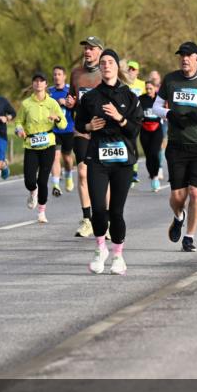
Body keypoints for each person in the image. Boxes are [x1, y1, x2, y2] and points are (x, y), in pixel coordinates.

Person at [152, 41, 197, 252]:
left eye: (189, 55)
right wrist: (169, 113)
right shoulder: (171, 79)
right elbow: (156, 106)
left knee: (196, 193)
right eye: (181, 55)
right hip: (176, 145)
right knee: (177, 197)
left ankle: (189, 237)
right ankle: (178, 216)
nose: (184, 58)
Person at [77, 49, 143, 274]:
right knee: (98, 209)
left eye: (110, 62)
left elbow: (135, 129)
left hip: (123, 161)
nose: (106, 66)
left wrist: (119, 118)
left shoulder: (130, 96)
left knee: (116, 211)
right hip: (97, 158)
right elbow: (79, 125)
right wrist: (88, 127)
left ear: (117, 67)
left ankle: (118, 255)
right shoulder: (90, 97)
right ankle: (100, 249)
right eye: (103, 62)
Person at [15, 71, 65, 223]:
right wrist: (19, 130)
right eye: (35, 81)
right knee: (30, 181)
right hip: (31, 145)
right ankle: (32, 191)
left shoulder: (52, 103)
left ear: (45, 84)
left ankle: (41, 211)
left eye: (41, 81)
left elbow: (63, 125)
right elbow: (18, 122)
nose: (38, 83)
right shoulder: (26, 104)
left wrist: (57, 118)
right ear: (32, 84)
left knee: (43, 181)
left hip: (48, 144)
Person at [70, 36, 104, 237]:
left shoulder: (106, 72)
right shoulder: (76, 74)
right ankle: (87, 219)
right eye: (85, 48)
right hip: (82, 129)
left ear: (100, 51)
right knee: (82, 173)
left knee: (103, 175)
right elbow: (74, 101)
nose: (87, 51)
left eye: (91, 48)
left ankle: (105, 220)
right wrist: (70, 103)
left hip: (103, 131)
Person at [48, 65, 75, 197]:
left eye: (59, 74)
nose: (56, 77)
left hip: (68, 128)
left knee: (67, 158)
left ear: (64, 76)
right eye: (54, 74)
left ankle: (69, 174)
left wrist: (68, 103)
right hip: (54, 130)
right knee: (55, 156)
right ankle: (56, 184)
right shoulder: (49, 92)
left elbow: (77, 105)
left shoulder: (70, 90)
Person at [138, 78, 164, 191]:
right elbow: (136, 112)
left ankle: (156, 176)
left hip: (157, 129)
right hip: (144, 129)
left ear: (155, 88)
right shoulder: (141, 99)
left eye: (151, 88)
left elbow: (166, 109)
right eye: (147, 88)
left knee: (154, 152)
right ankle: (152, 175)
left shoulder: (160, 99)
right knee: (148, 155)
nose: (149, 91)